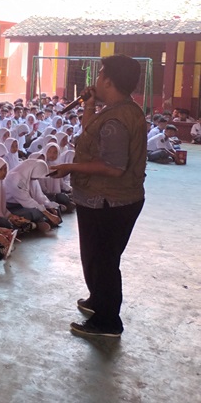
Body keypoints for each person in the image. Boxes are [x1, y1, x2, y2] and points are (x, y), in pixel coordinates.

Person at [49, 54, 147, 339]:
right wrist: (89, 104)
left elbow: (113, 168)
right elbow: (90, 131)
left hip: (109, 201)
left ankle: (108, 322)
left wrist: (70, 167)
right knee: (94, 255)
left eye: (100, 73)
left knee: (103, 260)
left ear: (109, 80)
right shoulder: (121, 109)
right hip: (105, 199)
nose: (96, 79)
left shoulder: (117, 120)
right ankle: (98, 300)